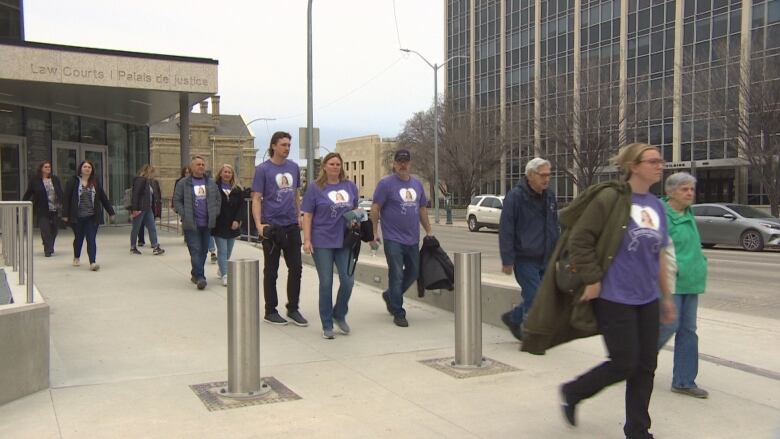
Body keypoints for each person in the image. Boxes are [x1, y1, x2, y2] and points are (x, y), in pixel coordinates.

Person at [559, 143, 676, 439]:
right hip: (614, 296)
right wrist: (593, 278)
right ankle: (574, 391)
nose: (659, 165)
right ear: (633, 166)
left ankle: (638, 431)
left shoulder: (657, 206)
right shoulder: (611, 199)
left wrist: (666, 297)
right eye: (653, 161)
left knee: (646, 366)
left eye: (660, 161)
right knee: (625, 362)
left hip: (647, 297)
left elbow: (659, 254)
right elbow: (580, 240)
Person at [658, 172, 709, 398]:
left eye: (691, 189)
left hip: (691, 282)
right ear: (670, 192)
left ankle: (684, 381)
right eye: (684, 189)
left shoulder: (688, 213)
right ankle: (633, 362)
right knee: (667, 327)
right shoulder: (661, 214)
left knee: (688, 331)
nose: (690, 193)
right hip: (670, 283)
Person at [370, 149, 433, 327]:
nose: (403, 165)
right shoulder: (386, 184)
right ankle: (398, 311)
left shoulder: (417, 184)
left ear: (410, 164)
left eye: (405, 161)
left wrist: (429, 230)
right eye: (399, 162)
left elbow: (422, 209)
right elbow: (375, 208)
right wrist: (374, 233)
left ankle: (391, 295)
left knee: (413, 272)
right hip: (393, 238)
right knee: (396, 274)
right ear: (394, 164)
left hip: (412, 239)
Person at [498, 157, 560, 341]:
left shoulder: (550, 196)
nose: (547, 179)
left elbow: (554, 226)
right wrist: (507, 260)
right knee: (536, 297)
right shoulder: (515, 197)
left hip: (546, 257)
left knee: (543, 297)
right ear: (531, 175)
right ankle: (533, 335)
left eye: (549, 175)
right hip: (525, 258)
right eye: (543, 175)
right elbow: (506, 230)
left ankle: (513, 318)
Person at [301, 152, 359, 339]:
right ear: (324, 166)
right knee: (326, 282)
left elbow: (355, 209)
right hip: (322, 239)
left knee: (348, 281)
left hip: (344, 240)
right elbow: (307, 215)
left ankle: (339, 314)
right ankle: (327, 324)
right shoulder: (315, 188)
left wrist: (356, 219)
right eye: (332, 164)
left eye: (338, 164)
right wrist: (307, 239)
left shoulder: (350, 186)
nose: (335, 167)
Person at [252, 131, 307, 326]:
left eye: (289, 144)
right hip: (272, 226)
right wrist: (259, 225)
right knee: (271, 270)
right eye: (283, 144)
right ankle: (270, 310)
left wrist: (299, 215)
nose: (287, 147)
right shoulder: (263, 170)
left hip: (291, 225)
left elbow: (296, 194)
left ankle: (293, 308)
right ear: (274, 146)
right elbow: (257, 198)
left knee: (296, 268)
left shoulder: (293, 167)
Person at [173, 156, 221, 290]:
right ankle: (201, 277)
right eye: (198, 164)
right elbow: (176, 201)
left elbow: (218, 199)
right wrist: (185, 213)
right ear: (192, 167)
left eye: (202, 164)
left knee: (204, 251)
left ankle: (195, 273)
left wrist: (215, 212)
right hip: (191, 224)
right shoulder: (183, 183)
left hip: (207, 223)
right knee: (195, 250)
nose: (201, 166)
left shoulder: (211, 183)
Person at [62, 160, 115, 271]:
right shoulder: (73, 181)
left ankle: (93, 262)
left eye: (89, 167)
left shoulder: (95, 182)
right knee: (79, 238)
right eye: (85, 167)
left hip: (92, 217)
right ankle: (76, 256)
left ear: (92, 170)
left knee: (91, 239)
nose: (87, 169)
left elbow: (103, 198)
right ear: (81, 169)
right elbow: (66, 198)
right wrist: (65, 214)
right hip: (77, 217)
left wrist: (111, 212)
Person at [212, 164, 244, 287]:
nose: (227, 174)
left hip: (233, 225)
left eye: (229, 172)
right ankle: (225, 275)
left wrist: (238, 220)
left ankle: (221, 268)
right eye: (225, 172)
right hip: (219, 224)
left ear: (232, 175)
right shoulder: (214, 188)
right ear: (220, 173)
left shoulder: (237, 190)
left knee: (228, 251)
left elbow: (241, 207)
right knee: (222, 250)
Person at [23, 161, 63, 257]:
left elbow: (60, 192)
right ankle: (48, 249)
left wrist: (64, 203)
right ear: (41, 168)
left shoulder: (55, 179)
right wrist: (23, 202)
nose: (48, 168)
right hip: (42, 208)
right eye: (46, 167)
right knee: (45, 229)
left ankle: (48, 244)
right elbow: (29, 193)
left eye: (49, 167)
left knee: (54, 229)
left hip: (55, 208)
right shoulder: (35, 180)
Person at [129, 165, 164, 256]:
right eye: (153, 173)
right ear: (148, 172)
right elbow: (136, 194)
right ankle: (133, 247)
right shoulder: (140, 180)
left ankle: (155, 246)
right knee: (136, 228)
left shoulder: (148, 182)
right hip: (140, 208)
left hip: (147, 208)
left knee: (152, 227)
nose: (154, 175)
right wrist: (135, 208)